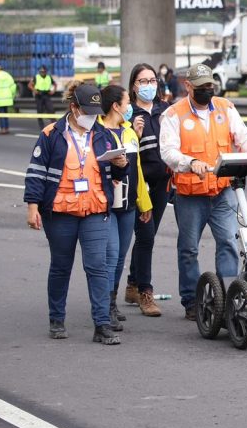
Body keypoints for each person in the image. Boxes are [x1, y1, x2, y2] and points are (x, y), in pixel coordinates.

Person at [159, 64, 247, 320]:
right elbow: (168, 152)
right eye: (201, 87)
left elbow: (243, 136)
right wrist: (190, 163)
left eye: (210, 86)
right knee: (189, 249)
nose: (207, 90)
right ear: (188, 87)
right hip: (190, 196)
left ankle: (228, 297)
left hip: (223, 192)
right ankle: (192, 301)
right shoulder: (172, 115)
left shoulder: (226, 107)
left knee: (229, 243)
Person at [24, 82, 129, 344]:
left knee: (98, 266)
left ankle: (102, 325)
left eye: (96, 112)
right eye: (88, 112)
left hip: (95, 210)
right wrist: (32, 206)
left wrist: (121, 165)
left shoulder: (105, 135)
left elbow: (115, 175)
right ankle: (56, 319)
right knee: (61, 267)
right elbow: (36, 173)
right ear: (73, 107)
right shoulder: (51, 134)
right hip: (60, 212)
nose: (92, 118)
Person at [99, 84, 153, 330]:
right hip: (107, 206)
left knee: (120, 256)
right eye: (126, 102)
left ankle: (111, 301)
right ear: (115, 106)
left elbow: (138, 170)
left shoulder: (130, 132)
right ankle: (105, 307)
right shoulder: (97, 132)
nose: (130, 106)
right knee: (110, 256)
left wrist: (145, 203)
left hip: (129, 205)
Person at [123, 64, 170, 316]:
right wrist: (136, 134)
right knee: (146, 237)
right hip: (139, 184)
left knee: (146, 236)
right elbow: (125, 149)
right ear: (134, 86)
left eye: (152, 80)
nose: (149, 85)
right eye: (143, 81)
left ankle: (132, 282)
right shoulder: (128, 113)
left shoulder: (166, 111)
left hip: (162, 183)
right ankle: (145, 292)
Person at [0, 64, 17, 134]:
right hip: (7, 98)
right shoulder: (8, 75)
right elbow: (13, 86)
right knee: (5, 114)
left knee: (1, 114)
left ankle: (2, 129)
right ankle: (7, 128)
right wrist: (12, 95)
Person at [28, 65, 56, 129]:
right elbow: (29, 85)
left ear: (46, 72)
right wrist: (34, 90)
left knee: (51, 109)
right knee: (40, 110)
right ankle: (41, 126)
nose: (42, 73)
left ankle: (54, 125)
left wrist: (53, 90)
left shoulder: (49, 77)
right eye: (41, 72)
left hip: (47, 94)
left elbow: (55, 84)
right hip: (39, 95)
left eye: (44, 72)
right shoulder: (36, 77)